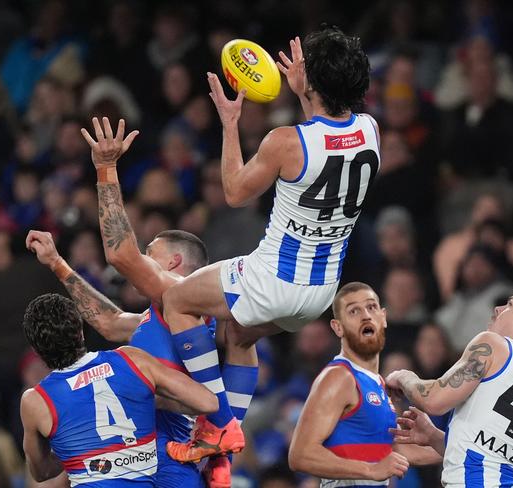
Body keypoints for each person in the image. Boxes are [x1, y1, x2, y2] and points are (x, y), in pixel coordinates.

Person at [82, 25, 379, 463]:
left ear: (312, 82)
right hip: (319, 295)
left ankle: (218, 422)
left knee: (179, 300)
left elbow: (235, 192)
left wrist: (230, 122)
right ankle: (222, 452)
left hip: (274, 277)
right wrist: (305, 91)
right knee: (238, 335)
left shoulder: (284, 141)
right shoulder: (371, 130)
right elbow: (328, 135)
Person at [26, 229, 258, 487]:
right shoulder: (154, 319)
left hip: (171, 447)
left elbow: (209, 398)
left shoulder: (184, 306)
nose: (141, 261)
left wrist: (140, 395)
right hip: (152, 448)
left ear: (173, 263)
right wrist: (57, 264)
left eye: (149, 253)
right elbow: (109, 322)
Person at [19, 293, 218, 486]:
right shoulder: (132, 360)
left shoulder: (35, 401)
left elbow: (41, 472)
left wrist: (77, 451)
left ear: (36, 351)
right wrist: (150, 400)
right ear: (80, 331)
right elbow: (207, 402)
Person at [386, 286, 513, 486]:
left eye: (510, 304)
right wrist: (434, 437)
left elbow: (434, 400)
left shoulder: (492, 345)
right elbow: (491, 453)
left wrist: (403, 376)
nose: (498, 308)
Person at [287, 282, 440, 486]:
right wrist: (371, 469)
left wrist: (459, 443)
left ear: (383, 317)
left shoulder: (377, 383)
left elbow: (396, 452)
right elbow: (300, 455)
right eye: (354, 311)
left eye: (371, 307)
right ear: (338, 327)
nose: (366, 315)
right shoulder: (339, 377)